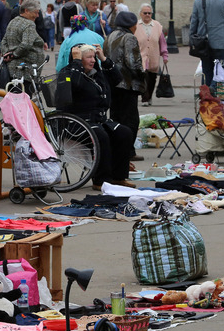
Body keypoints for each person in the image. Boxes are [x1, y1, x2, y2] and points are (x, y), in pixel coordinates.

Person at [57, 44, 136, 190]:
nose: (93, 60)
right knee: (101, 135)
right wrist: (76, 63)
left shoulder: (96, 73)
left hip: (98, 120)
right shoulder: (68, 72)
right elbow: (76, 85)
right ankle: (101, 180)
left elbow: (117, 79)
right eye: (89, 57)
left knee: (124, 132)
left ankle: (118, 177)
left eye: (94, 57)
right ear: (79, 59)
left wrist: (104, 59)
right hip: (76, 121)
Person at [105, 11, 144, 162]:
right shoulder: (129, 38)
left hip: (112, 83)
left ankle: (117, 149)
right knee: (131, 120)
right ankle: (128, 152)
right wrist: (142, 75)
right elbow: (133, 63)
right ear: (131, 25)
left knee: (116, 118)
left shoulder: (110, 36)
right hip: (127, 84)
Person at [190, 0, 224, 86]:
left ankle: (206, 95)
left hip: (203, 42)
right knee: (220, 71)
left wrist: (192, 39)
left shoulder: (198, 2)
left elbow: (194, 22)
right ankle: (212, 90)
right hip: (221, 43)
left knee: (206, 71)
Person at [1, 0, 46, 88]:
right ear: (26, 11)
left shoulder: (13, 21)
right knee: (24, 98)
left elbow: (3, 41)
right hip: (25, 72)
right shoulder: (29, 24)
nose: (37, 16)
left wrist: (6, 54)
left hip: (13, 70)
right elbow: (26, 45)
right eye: (36, 13)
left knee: (15, 96)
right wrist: (13, 55)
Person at [134, 3, 168, 107]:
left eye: (149, 13)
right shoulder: (136, 26)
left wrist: (165, 55)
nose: (147, 15)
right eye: (145, 13)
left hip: (154, 57)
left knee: (152, 79)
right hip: (141, 57)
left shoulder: (157, 25)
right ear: (140, 14)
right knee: (144, 77)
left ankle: (149, 97)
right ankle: (144, 98)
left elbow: (162, 42)